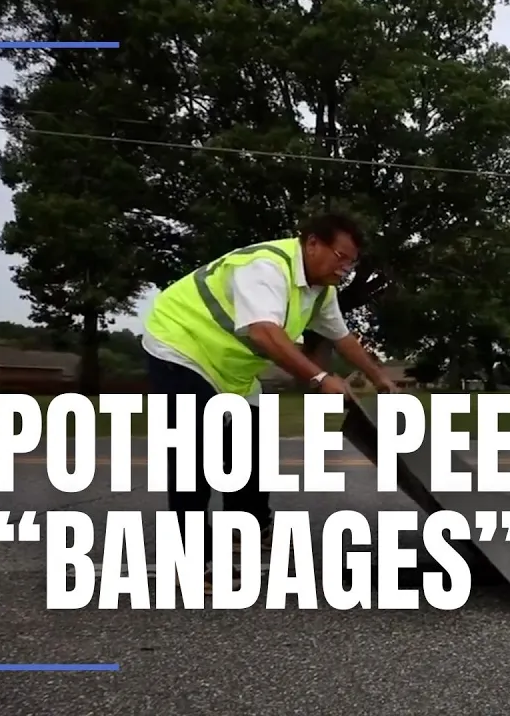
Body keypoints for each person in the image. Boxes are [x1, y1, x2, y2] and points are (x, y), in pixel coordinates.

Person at [140, 211, 399, 592]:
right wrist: (319, 377)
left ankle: (248, 525)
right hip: (180, 346)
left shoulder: (319, 290)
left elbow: (342, 338)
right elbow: (263, 333)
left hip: (231, 369)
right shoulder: (266, 269)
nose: (344, 269)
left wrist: (382, 381)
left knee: (253, 445)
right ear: (312, 243)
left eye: (352, 262)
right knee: (197, 452)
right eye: (340, 257)